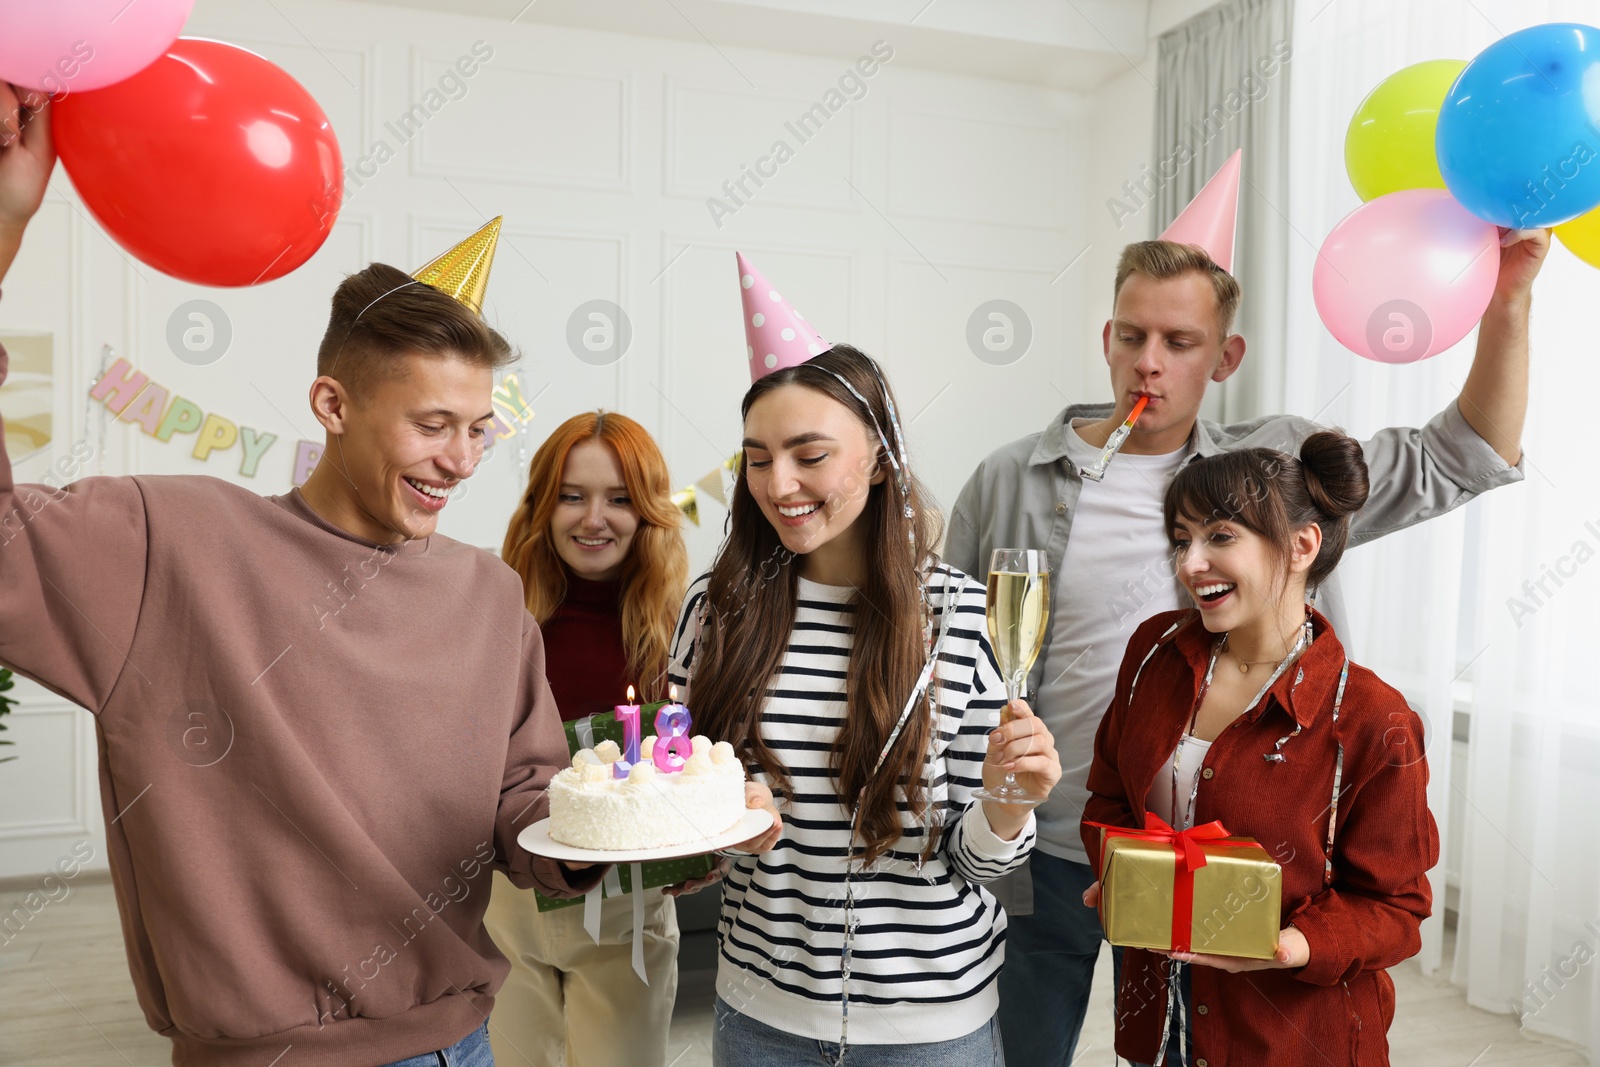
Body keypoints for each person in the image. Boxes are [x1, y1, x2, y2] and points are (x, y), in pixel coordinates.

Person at [0, 85, 613, 1065]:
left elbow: (525, 802)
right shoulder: (170, 542)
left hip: (464, 1043)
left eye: (477, 429)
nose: (460, 459)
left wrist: (626, 836)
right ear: (332, 402)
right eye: (429, 424)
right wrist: (6, 223)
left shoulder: (490, 594)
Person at [944, 158, 1547, 1065]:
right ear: (1106, 337)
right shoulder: (1009, 477)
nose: (1151, 361)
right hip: (1052, 836)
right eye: (1135, 335)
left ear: (1224, 356)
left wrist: (1507, 300)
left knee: (1217, 1042)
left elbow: (1463, 456)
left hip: (1227, 848)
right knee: (1020, 1048)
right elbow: (948, 651)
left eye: (1181, 341)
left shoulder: (1278, 471)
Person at [668, 255, 1062, 1066]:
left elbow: (979, 861)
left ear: (880, 459)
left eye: (810, 455)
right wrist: (716, 825)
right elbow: (678, 820)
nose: (779, 484)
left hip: (933, 1032)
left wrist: (1010, 805)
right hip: (758, 1019)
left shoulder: (955, 614)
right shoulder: (716, 607)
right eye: (757, 456)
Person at [1080, 431, 1435, 1066]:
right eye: (1183, 540)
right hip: (1156, 1015)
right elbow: (1110, 795)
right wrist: (1120, 876)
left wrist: (1291, 945)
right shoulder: (1153, 654)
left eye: (1220, 537)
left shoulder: (1374, 720)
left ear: (1302, 546)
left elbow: (1396, 907)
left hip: (1289, 1038)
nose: (1190, 563)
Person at [483, 410, 689, 1067]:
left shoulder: (682, 627)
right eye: (572, 495)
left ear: (649, 509)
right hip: (505, 905)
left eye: (619, 498)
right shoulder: (491, 608)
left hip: (628, 908)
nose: (592, 517)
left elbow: (699, 766)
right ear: (544, 503)